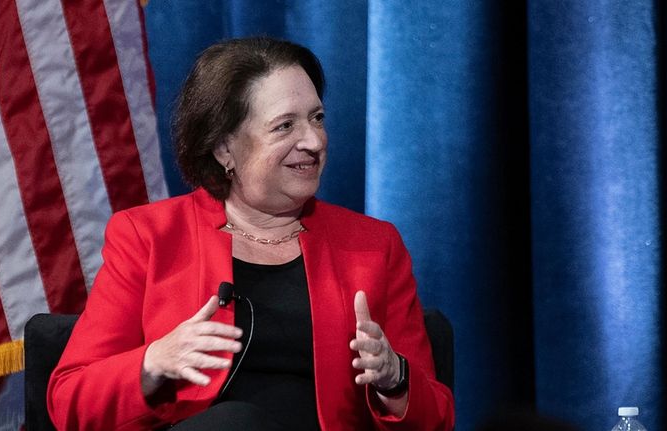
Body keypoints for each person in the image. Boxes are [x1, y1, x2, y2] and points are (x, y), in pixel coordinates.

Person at [47, 37, 455, 431]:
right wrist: (153, 361)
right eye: (284, 126)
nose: (313, 141)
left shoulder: (373, 245)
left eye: (317, 118)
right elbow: (70, 401)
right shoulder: (148, 237)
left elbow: (437, 417)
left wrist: (394, 376)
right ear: (224, 149)